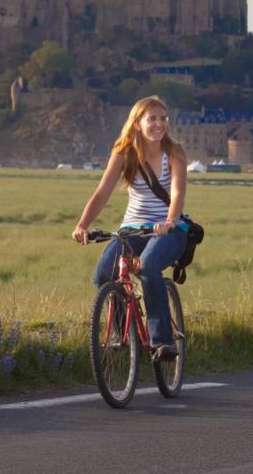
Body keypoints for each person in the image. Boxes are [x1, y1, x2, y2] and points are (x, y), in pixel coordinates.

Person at [72, 96, 189, 361]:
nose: (159, 124)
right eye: (152, 119)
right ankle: (122, 331)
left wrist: (170, 221)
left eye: (163, 118)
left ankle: (162, 341)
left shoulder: (175, 153)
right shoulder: (124, 153)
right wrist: (82, 225)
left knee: (147, 266)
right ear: (137, 123)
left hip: (169, 230)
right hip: (132, 229)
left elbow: (178, 193)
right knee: (103, 275)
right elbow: (101, 193)